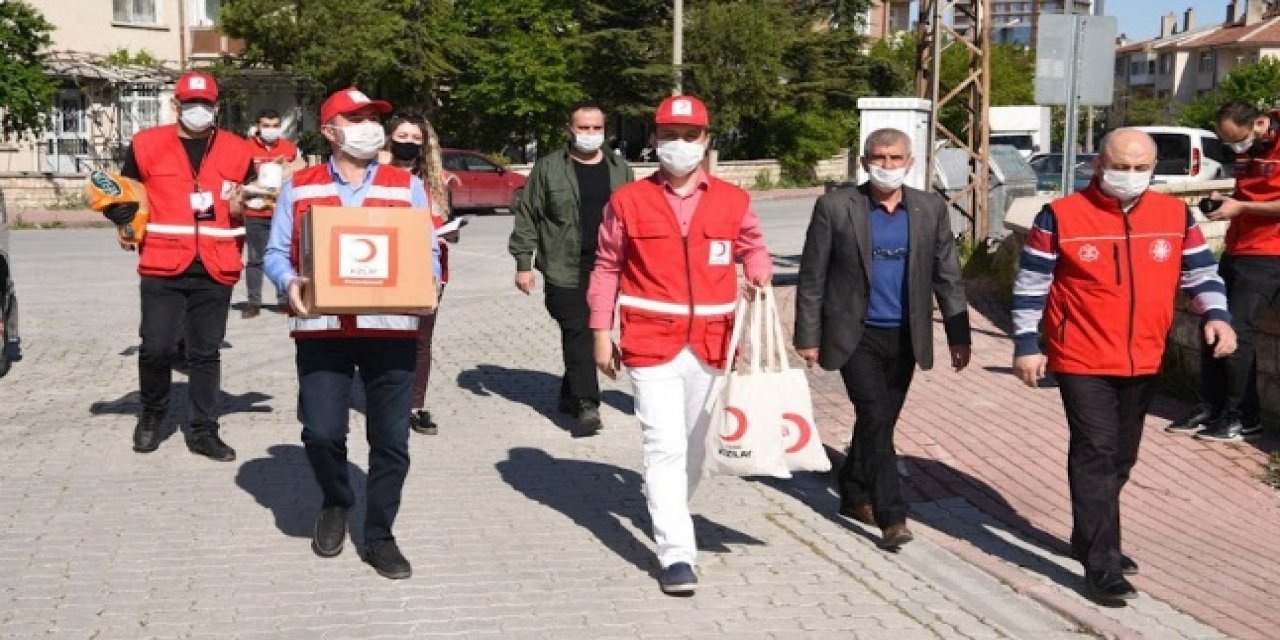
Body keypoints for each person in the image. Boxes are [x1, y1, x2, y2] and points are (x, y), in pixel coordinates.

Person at [1011, 128, 1235, 604]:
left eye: (1140, 168)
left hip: (1144, 354)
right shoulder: (1060, 217)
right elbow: (1032, 283)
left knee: (1121, 457)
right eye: (1120, 167)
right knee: (1095, 449)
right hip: (1080, 355)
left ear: (1153, 169)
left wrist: (1217, 314)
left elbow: (1200, 271)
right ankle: (1102, 565)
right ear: (1098, 165)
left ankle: (1090, 535)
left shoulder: (1175, 215)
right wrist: (1027, 344)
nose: (1129, 176)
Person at [587, 95, 771, 595]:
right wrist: (601, 333)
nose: (679, 145)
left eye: (690, 136)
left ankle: (669, 508)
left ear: (706, 141)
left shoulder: (733, 200)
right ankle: (675, 553)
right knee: (663, 445)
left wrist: (757, 272)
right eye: (669, 135)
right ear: (655, 139)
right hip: (650, 342)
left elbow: (752, 244)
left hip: (714, 342)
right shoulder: (627, 201)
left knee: (695, 447)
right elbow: (606, 268)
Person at [263, 87, 441, 580]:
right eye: (355, 117)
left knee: (390, 441)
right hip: (322, 329)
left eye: (372, 117)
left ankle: (380, 534)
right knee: (321, 432)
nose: (368, 125)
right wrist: (289, 281)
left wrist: (430, 284)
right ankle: (338, 499)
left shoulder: (405, 186)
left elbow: (425, 250)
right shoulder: (300, 186)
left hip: (391, 330)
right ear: (329, 130)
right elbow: (276, 253)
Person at [793, 127, 971, 550]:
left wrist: (958, 333)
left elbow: (947, 274)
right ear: (864, 162)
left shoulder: (929, 209)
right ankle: (892, 515)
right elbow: (812, 276)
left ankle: (853, 490)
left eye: (894, 158)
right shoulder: (836, 207)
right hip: (855, 335)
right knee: (874, 416)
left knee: (879, 421)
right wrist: (807, 334)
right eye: (878, 158)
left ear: (909, 163)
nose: (886, 166)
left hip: (907, 335)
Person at [103, 70, 255, 462]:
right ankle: (152, 416)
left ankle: (204, 430)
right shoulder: (146, 145)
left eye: (206, 104)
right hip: (162, 261)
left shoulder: (239, 150)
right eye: (191, 103)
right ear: (176, 105)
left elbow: (249, 201)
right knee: (157, 347)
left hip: (216, 264)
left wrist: (246, 205)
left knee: (205, 353)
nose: (199, 110)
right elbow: (127, 193)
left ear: (216, 107)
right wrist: (122, 218)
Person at [510, 101, 635, 437]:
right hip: (564, 267)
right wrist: (524, 264)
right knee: (579, 328)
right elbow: (528, 217)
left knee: (586, 330)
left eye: (596, 128)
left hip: (608, 266)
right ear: (570, 129)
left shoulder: (620, 169)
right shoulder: (549, 168)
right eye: (583, 128)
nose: (590, 134)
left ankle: (569, 393)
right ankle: (586, 403)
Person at [1166, 101, 1280, 442]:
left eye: (1238, 139)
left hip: (1270, 253)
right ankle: (1210, 407)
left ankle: (1243, 417)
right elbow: (1250, 193)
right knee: (1212, 320)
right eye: (1227, 142)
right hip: (1238, 246)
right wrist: (1225, 199)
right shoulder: (1247, 151)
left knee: (1239, 330)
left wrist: (1242, 206)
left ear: (1260, 123)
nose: (1235, 148)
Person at [379, 112, 457, 436]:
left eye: (415, 139)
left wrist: (450, 233)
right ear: (389, 138)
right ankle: (384, 400)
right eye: (403, 137)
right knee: (385, 338)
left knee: (420, 340)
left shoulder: (436, 183)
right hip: (384, 269)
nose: (409, 144)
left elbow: (445, 223)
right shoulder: (375, 177)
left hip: (428, 271)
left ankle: (415, 405)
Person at [241, 108, 304, 318]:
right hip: (255, 212)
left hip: (282, 213)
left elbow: (299, 173)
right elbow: (240, 177)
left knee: (284, 256)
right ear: (257, 127)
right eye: (266, 125)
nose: (271, 129)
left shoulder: (289, 149)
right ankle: (253, 303)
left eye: (275, 125)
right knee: (255, 259)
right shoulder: (245, 148)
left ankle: (284, 299)